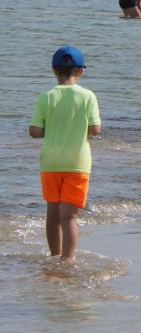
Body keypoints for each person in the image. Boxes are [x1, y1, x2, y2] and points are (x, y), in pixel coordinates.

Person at [29, 46, 102, 260]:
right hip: (78, 163)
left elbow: (34, 131)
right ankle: (68, 261)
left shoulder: (46, 97)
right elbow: (96, 130)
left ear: (54, 70)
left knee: (53, 212)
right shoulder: (88, 96)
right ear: (81, 71)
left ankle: (54, 255)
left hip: (50, 163)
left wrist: (50, 129)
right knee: (69, 216)